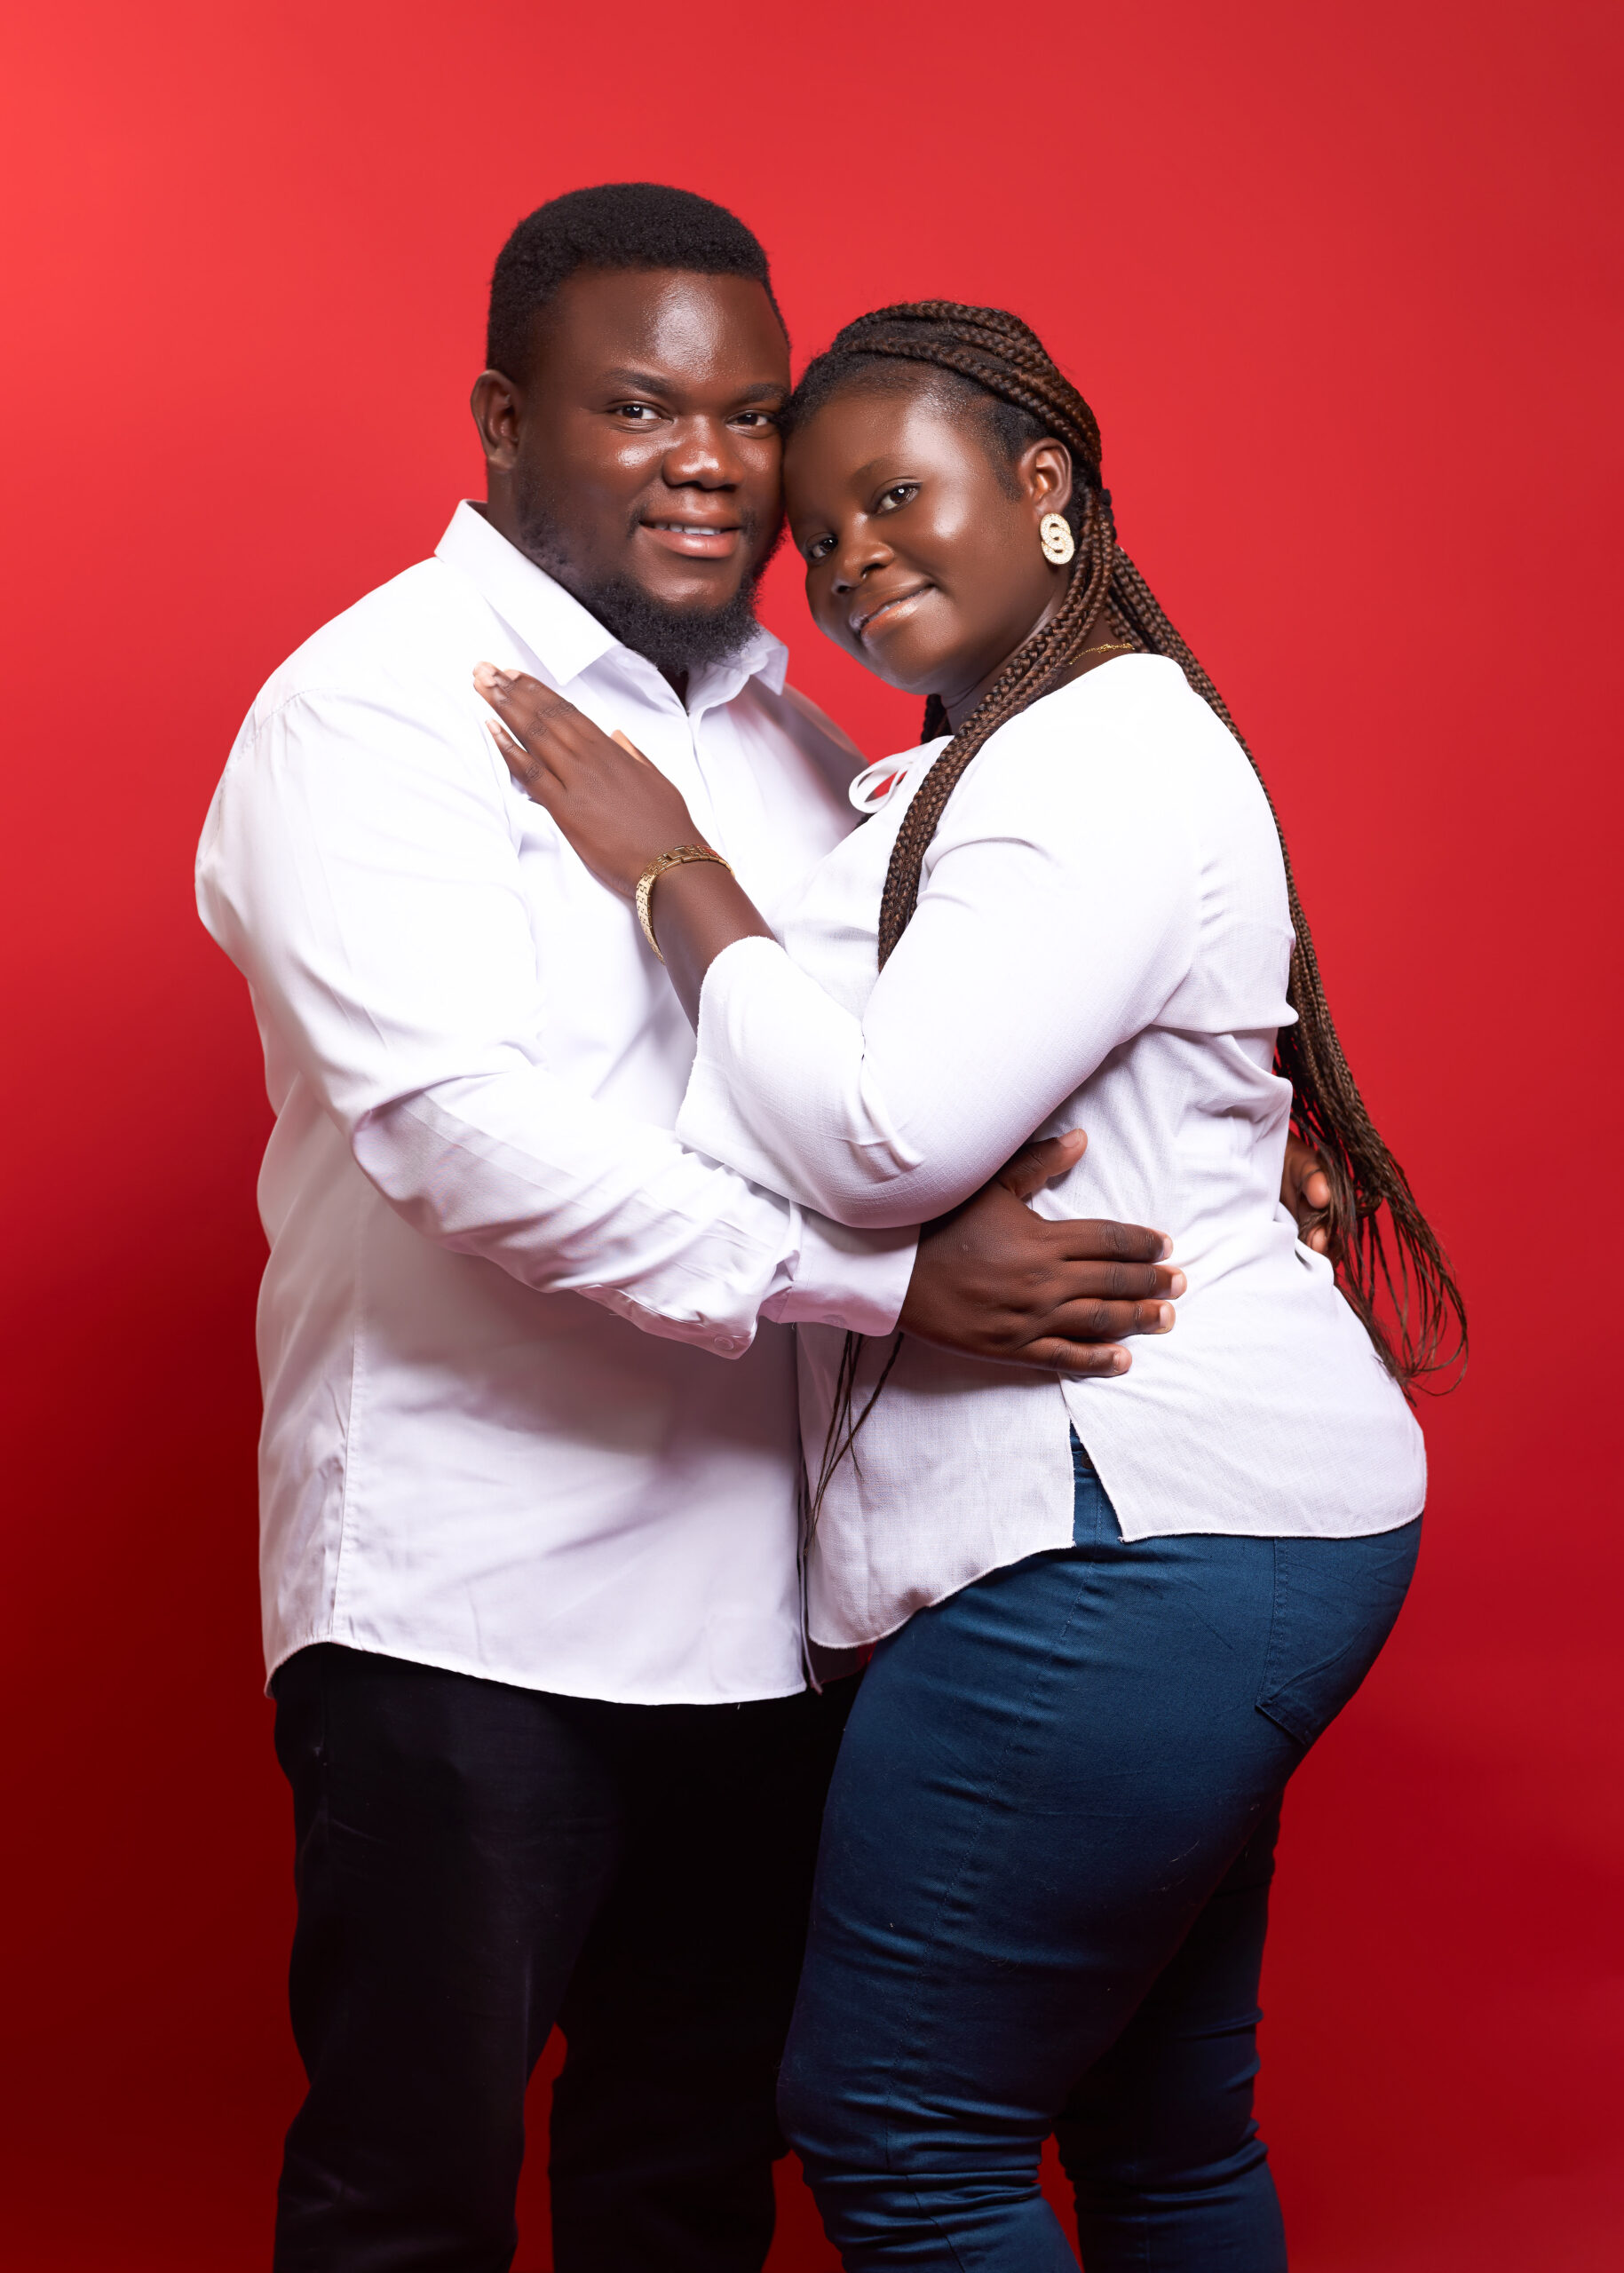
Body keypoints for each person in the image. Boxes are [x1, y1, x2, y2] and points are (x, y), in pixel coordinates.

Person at [196, 192, 1311, 2273]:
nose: (708, 461)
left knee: (690, 2188)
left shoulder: (806, 751)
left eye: (746, 414)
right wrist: (889, 1285)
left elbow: (922, 1085)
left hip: (777, 1621)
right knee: (406, 2200)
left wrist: (1228, 1155)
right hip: (470, 1599)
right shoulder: (371, 706)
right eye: (639, 407)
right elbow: (455, 1133)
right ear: (502, 420)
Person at [478, 297, 1467, 2270]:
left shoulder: (1088, 764)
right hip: (1202, 1523)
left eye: (894, 497)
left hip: (1134, 1534)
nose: (851, 559)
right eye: (818, 536)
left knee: (907, 2133)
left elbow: (878, 1137)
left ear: (1044, 485)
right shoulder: (1003, 757)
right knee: (1160, 2125)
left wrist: (670, 868)